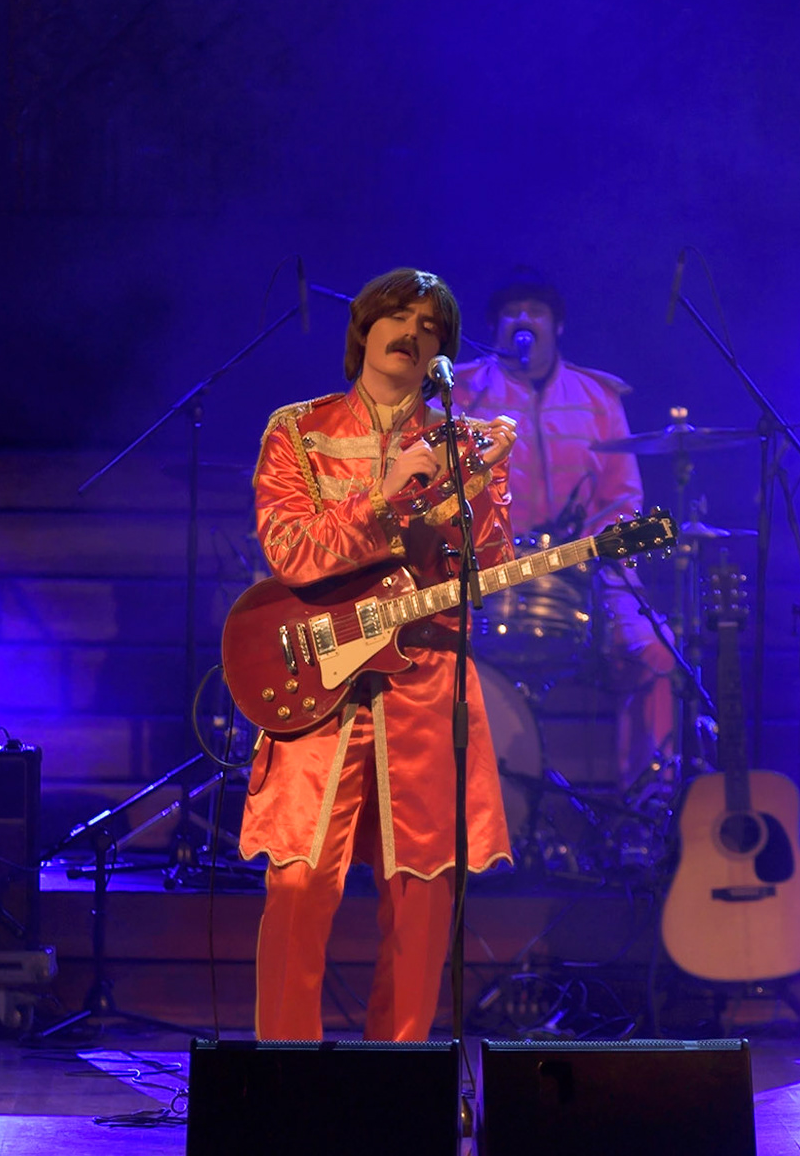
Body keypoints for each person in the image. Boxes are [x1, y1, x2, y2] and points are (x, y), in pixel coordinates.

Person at [240, 267, 517, 1041]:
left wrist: (481, 492)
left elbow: (487, 568)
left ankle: (401, 1083)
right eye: (397, 314)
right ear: (364, 328)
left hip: (426, 676)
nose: (411, 332)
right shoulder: (298, 431)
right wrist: (387, 495)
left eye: (430, 326)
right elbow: (292, 551)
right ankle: (284, 1074)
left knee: (422, 894)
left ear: (442, 354)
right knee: (298, 883)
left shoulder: (466, 440)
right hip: (316, 675)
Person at [454, 268, 676, 782]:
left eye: (536, 311)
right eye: (511, 312)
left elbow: (623, 499)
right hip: (481, 578)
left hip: (585, 577)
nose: (523, 319)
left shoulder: (599, 397)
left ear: (557, 326)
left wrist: (597, 558)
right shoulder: (461, 393)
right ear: (495, 329)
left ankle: (648, 799)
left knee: (655, 649)